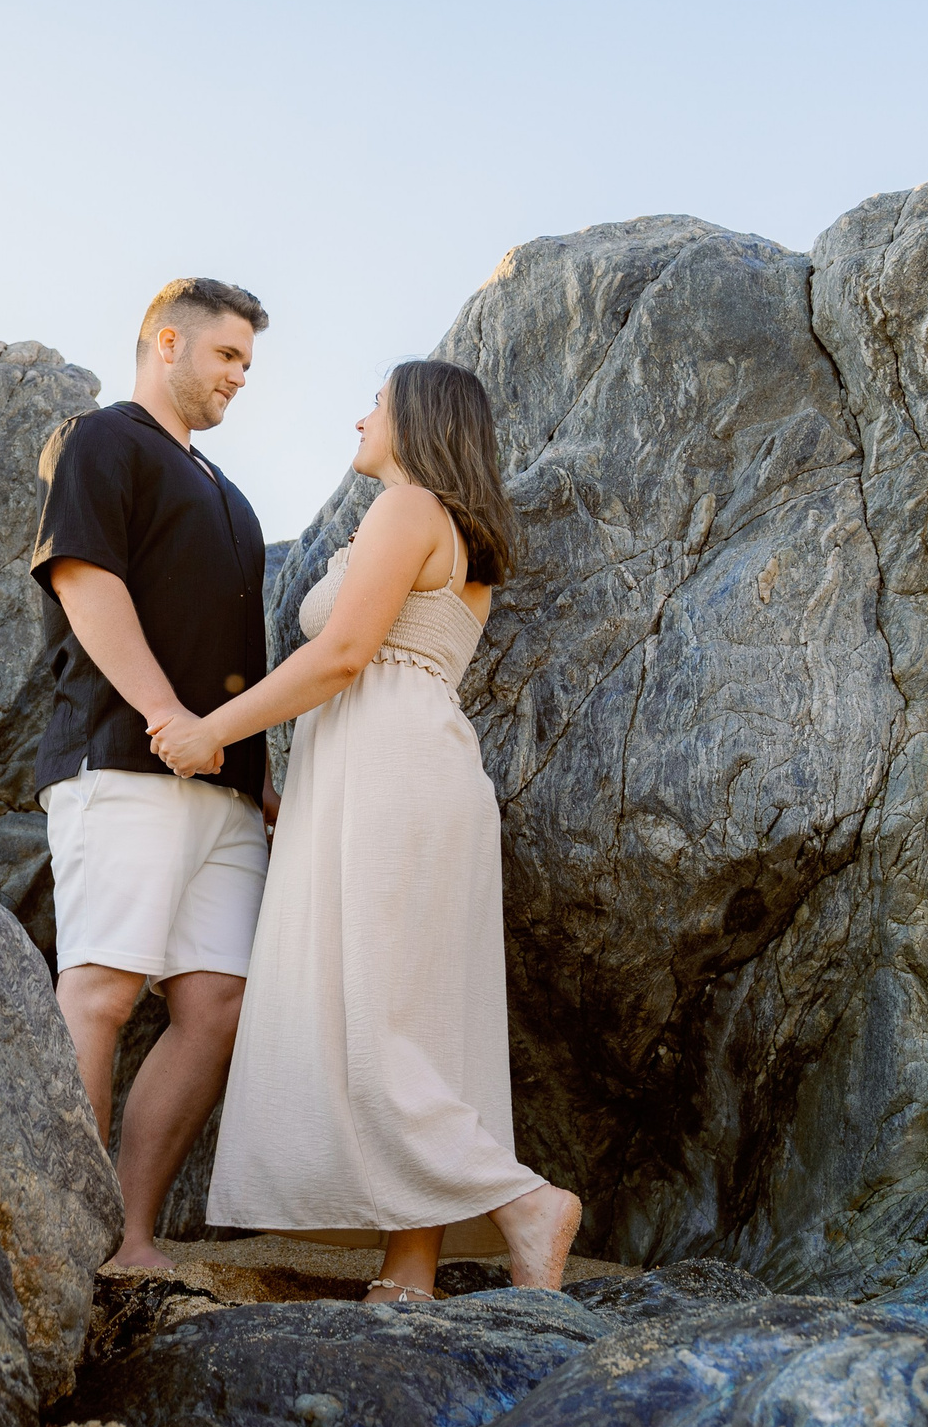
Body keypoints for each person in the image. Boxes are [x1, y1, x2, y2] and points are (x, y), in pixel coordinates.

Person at [151, 357, 582, 1300]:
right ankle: (410, 1265)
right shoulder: (452, 529)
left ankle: (523, 1203)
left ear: (417, 419)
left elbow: (344, 653)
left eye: (376, 404)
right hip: (416, 768)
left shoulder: (408, 507)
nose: (360, 419)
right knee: (412, 1017)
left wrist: (213, 730)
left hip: (389, 773)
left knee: (373, 1015)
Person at [30, 277, 274, 1271]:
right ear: (166, 343)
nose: (239, 377)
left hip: (226, 794)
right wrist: (165, 713)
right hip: (124, 763)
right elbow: (84, 579)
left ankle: (130, 1240)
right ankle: (65, 1253)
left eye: (247, 363)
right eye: (227, 356)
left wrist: (255, 774)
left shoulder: (232, 496)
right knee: (100, 993)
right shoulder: (101, 439)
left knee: (214, 1009)